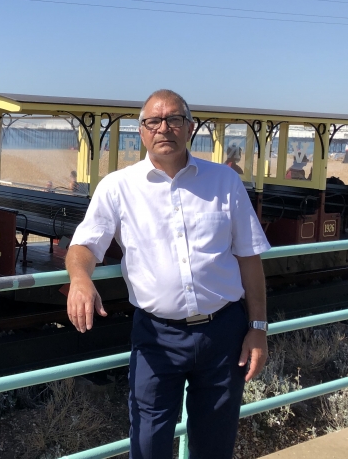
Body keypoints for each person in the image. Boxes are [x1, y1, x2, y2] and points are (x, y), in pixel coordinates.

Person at [65, 89, 270, 459]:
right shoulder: (118, 186)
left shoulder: (224, 181)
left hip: (224, 334)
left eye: (174, 119)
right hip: (157, 336)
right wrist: (80, 279)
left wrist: (258, 328)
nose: (164, 128)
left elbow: (249, 260)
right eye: (153, 121)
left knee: (214, 446)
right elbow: (83, 247)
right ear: (141, 131)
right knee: (147, 444)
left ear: (189, 127)